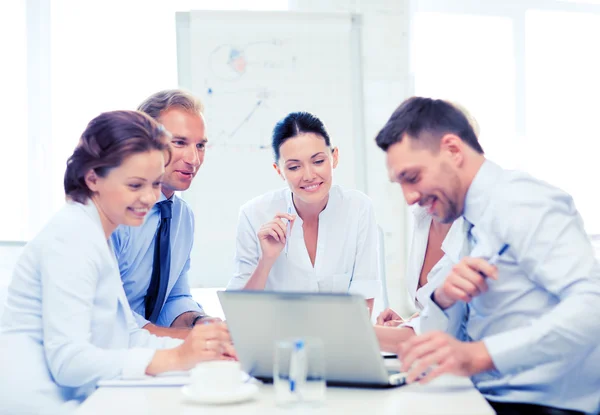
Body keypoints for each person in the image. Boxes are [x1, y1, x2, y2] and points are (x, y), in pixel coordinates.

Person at [375, 97, 600, 415]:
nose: (409, 197)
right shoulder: (471, 217)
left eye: (412, 178)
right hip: (489, 397)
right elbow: (451, 333)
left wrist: (479, 355)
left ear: (453, 150)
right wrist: (443, 296)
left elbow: (593, 306)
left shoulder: (520, 201)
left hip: (540, 405)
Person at [0, 111, 233, 414]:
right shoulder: (72, 237)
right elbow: (69, 363)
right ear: (93, 177)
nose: (149, 198)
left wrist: (202, 352)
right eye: (135, 186)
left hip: (81, 396)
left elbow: (128, 337)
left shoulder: (97, 234)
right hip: (42, 402)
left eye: (153, 184)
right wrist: (176, 358)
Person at [227, 111, 381, 313]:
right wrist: (266, 261)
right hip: (276, 341)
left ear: (334, 157)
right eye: (294, 167)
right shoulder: (253, 214)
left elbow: (364, 300)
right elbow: (239, 313)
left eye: (318, 162)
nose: (309, 176)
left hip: (340, 340)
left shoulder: (359, 208)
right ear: (279, 170)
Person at [375, 102, 479, 351]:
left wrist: (353, 333)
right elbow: (443, 315)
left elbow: (451, 333)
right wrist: (410, 323)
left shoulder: (484, 224)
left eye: (413, 177)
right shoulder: (425, 214)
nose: (408, 196)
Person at [111, 90, 215, 339]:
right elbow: (106, 308)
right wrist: (177, 340)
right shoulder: (114, 211)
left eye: (200, 145)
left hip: (143, 352)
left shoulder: (182, 216)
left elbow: (174, 297)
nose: (193, 159)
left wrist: (199, 322)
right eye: (179, 143)